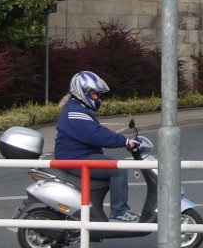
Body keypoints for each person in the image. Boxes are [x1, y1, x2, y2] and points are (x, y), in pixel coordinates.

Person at [55, 71, 140, 222]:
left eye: (98, 95)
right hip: (76, 159)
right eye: (94, 94)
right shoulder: (75, 112)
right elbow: (96, 134)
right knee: (118, 170)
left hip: (79, 156)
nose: (97, 98)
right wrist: (125, 141)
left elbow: (96, 133)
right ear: (83, 92)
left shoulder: (77, 109)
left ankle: (96, 213)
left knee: (109, 166)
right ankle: (119, 212)